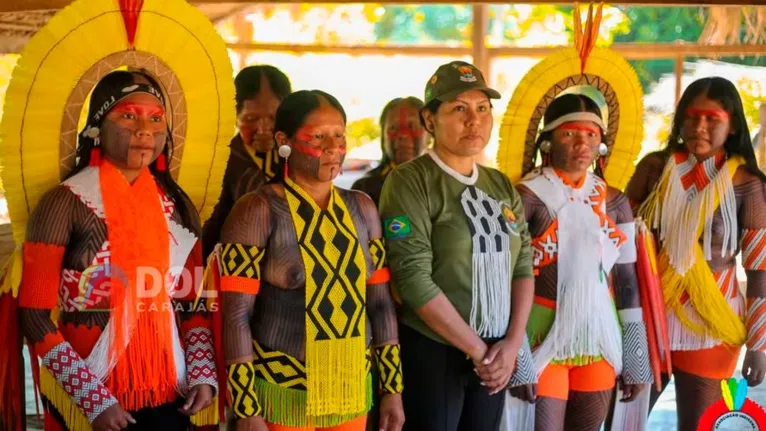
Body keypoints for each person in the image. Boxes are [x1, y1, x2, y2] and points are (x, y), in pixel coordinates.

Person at [16, 70, 217, 430]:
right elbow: (33, 314)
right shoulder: (65, 203)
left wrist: (203, 371)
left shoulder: (177, 205)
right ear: (96, 127)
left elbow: (194, 299)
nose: (145, 129)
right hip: (85, 391)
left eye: (156, 119)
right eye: (128, 116)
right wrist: (91, 398)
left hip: (171, 387)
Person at [218, 90, 404, 431]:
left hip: (350, 389)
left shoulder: (363, 208)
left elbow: (379, 304)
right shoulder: (255, 210)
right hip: (281, 395)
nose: (332, 147)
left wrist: (392, 389)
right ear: (283, 140)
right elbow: (236, 314)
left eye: (339, 135)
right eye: (317, 136)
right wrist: (245, 409)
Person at [378, 61, 536, 431]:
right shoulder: (410, 181)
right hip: (436, 350)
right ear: (430, 121)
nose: (474, 121)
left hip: (496, 353)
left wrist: (512, 345)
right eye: (458, 109)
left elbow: (524, 264)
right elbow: (413, 278)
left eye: (482, 109)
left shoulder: (499, 185)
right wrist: (479, 351)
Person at [626, 77, 766, 430]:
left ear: (732, 124)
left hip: (712, 323)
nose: (699, 127)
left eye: (711, 118)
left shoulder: (747, 183)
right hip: (647, 316)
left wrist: (760, 344)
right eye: (691, 117)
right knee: (625, 419)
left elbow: (760, 269)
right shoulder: (654, 168)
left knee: (697, 425)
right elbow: (621, 243)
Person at [509, 93, 651, 430]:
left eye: (591, 134)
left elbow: (627, 279)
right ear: (548, 140)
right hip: (538, 333)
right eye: (570, 133)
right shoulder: (526, 196)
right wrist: (517, 355)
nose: (581, 143)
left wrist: (635, 354)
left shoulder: (615, 201)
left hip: (599, 335)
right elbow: (506, 278)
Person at [202, 65, 292, 258]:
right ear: (235, 117)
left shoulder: (296, 159)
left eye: (273, 117)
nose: (263, 128)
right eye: (251, 118)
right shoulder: (217, 163)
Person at [351, 97, 429, 205]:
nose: (403, 134)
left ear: (429, 133)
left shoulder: (445, 183)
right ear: (383, 136)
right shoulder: (364, 190)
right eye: (393, 128)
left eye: (412, 126)